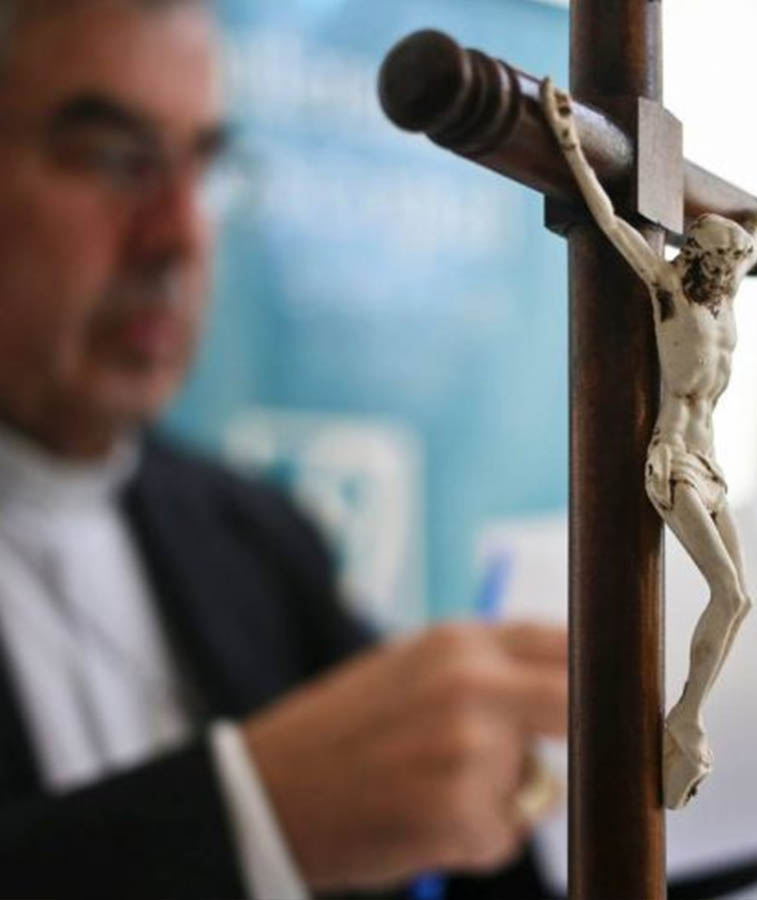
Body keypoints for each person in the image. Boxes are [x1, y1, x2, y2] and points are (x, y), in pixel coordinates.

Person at [0, 1, 568, 897]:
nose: (178, 235)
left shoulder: (258, 537)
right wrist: (254, 817)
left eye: (205, 167)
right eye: (113, 160)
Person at [539, 78, 757, 810]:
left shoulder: (724, 305)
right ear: (694, 254)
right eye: (717, 260)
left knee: (740, 600)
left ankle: (689, 717)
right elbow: (609, 221)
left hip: (713, 466)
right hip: (671, 462)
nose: (725, 272)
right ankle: (686, 720)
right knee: (725, 590)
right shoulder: (669, 287)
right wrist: (572, 145)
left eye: (732, 264)